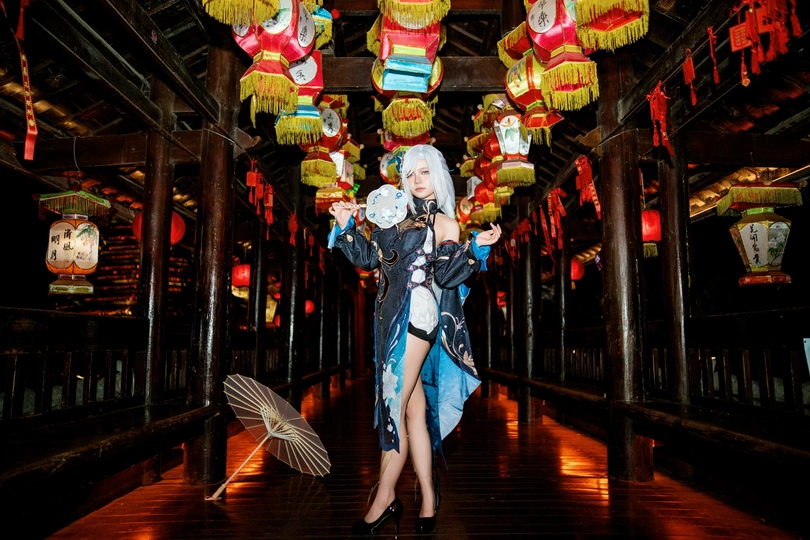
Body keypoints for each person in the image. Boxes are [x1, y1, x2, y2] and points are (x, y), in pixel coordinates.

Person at [328, 145, 502, 535]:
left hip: (418, 316)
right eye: (410, 173)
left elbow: (448, 275)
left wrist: (475, 248)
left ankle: (384, 499)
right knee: (412, 411)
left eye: (424, 172)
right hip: (388, 320)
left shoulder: (446, 224)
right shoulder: (392, 214)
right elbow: (369, 260)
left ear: (437, 176)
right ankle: (427, 498)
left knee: (392, 409)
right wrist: (345, 226)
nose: (417, 180)